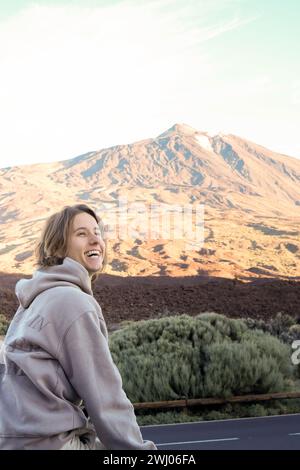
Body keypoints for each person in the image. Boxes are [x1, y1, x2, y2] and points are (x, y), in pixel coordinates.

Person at [0, 204, 157, 450]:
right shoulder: (73, 302)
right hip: (51, 443)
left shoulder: (34, 301)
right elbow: (105, 397)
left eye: (97, 232)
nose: (96, 239)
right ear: (58, 246)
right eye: (82, 234)